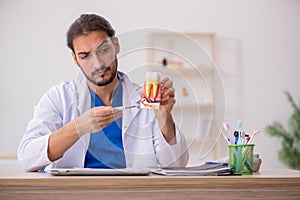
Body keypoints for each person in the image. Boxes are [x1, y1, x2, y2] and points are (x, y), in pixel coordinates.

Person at [18, 14, 189, 172]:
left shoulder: (142, 99)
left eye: (103, 50)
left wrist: (164, 117)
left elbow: (177, 165)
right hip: (73, 192)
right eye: (85, 56)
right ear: (75, 59)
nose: (98, 64)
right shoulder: (59, 98)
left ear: (116, 45)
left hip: (131, 192)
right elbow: (27, 157)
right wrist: (78, 127)